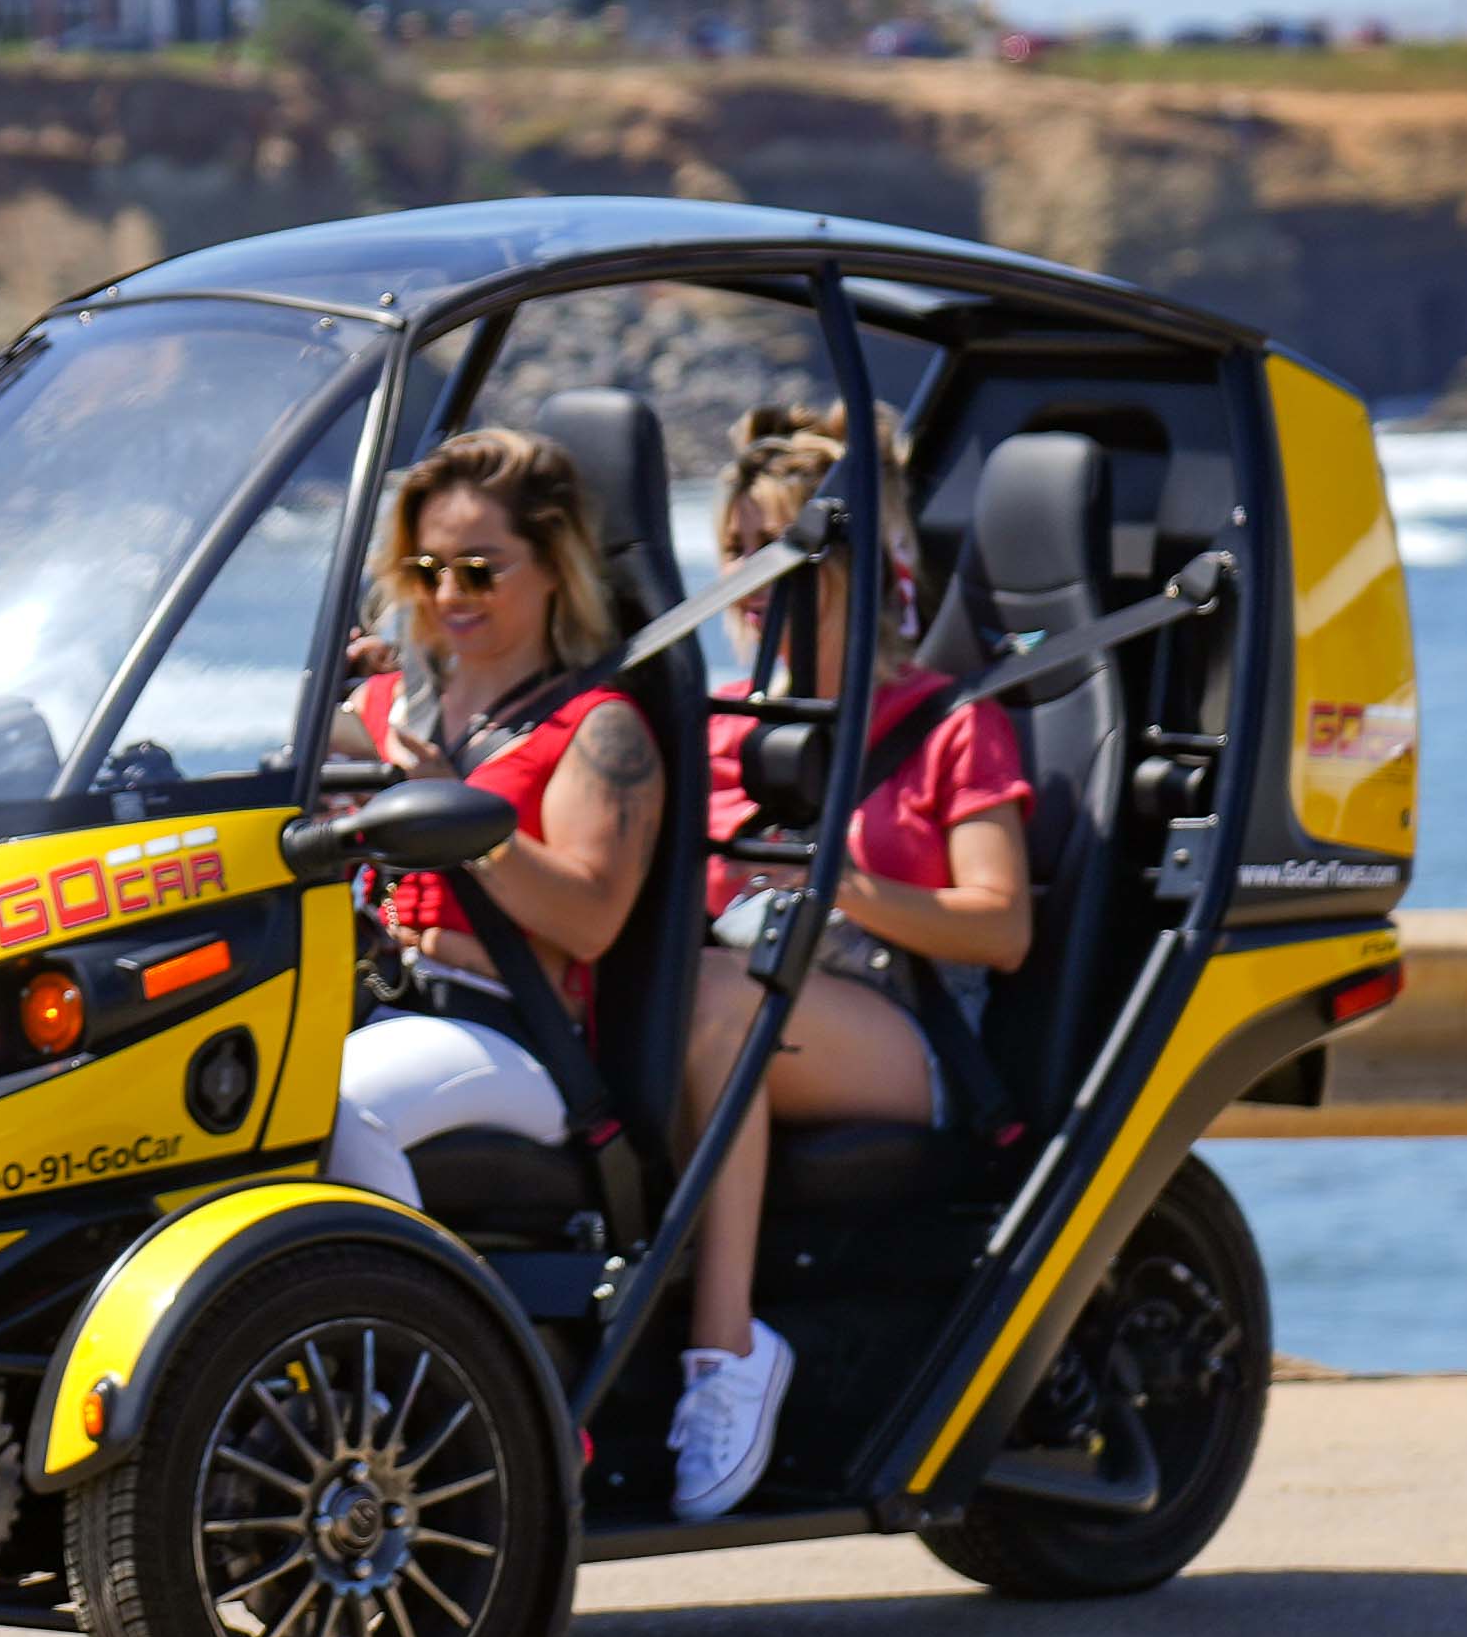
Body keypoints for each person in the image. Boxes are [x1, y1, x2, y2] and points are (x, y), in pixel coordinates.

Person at [654, 405, 1032, 1519]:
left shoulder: (946, 725)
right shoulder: (721, 725)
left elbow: (998, 925)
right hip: (745, 999)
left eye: (774, 556)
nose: (746, 583)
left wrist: (842, 886)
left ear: (855, 573)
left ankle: (726, 1350)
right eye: (732, 554)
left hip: (905, 1026)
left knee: (717, 1009)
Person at [321, 425, 663, 1223]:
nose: (447, 598)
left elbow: (590, 919)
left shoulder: (596, 728)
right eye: (427, 571)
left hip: (511, 1036)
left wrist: (463, 819)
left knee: (336, 1109)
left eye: (478, 572)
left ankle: (400, 1315)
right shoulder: (393, 707)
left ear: (550, 566)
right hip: (376, 999)